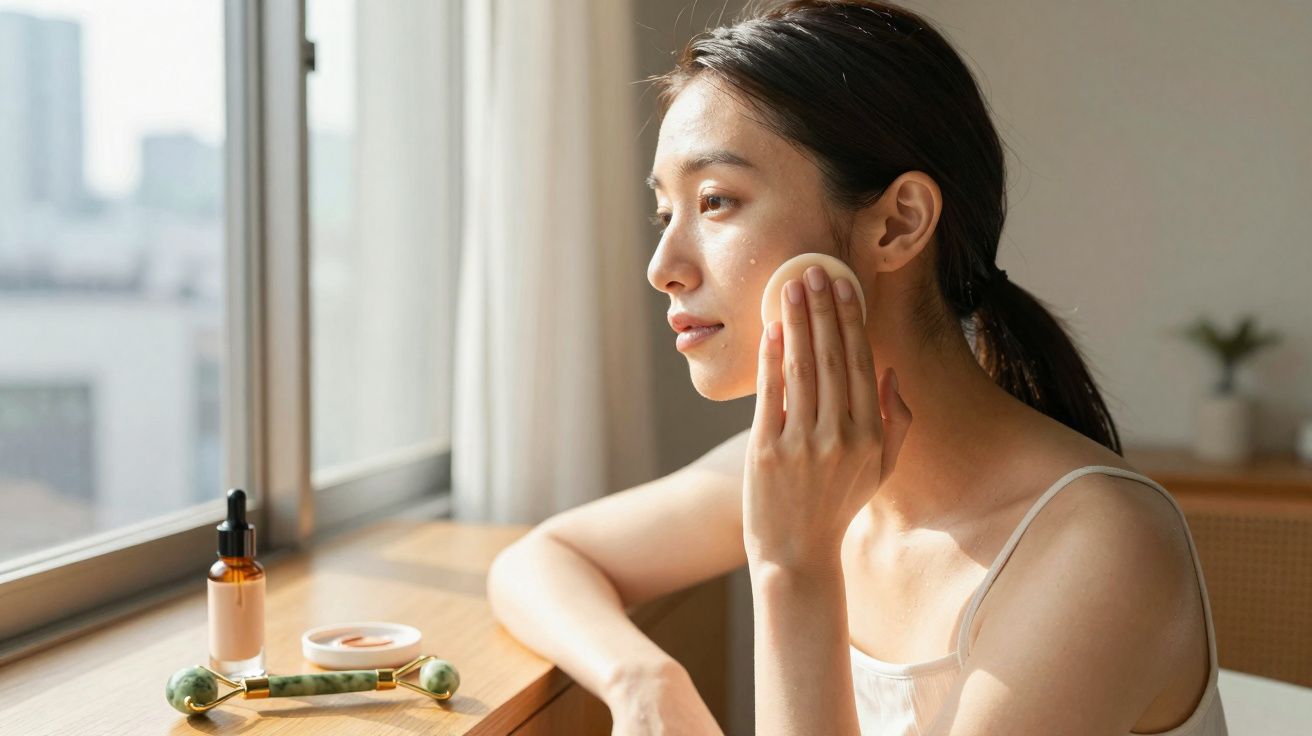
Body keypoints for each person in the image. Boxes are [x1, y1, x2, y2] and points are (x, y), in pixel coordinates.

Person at [488, 2, 1227, 734]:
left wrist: (793, 567)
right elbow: (540, 561)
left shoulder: (1102, 549)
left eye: (715, 201)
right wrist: (643, 681)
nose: (663, 268)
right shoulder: (811, 466)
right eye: (665, 213)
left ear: (899, 221)